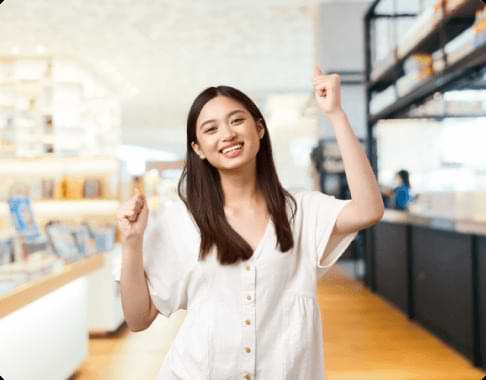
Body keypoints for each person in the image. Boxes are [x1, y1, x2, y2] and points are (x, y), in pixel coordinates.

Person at [116, 67, 384, 380]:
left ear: (259, 129)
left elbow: (368, 209)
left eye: (237, 120)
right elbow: (137, 319)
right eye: (211, 129)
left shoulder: (302, 212)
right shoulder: (180, 221)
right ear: (198, 149)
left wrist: (336, 114)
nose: (227, 134)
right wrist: (132, 243)